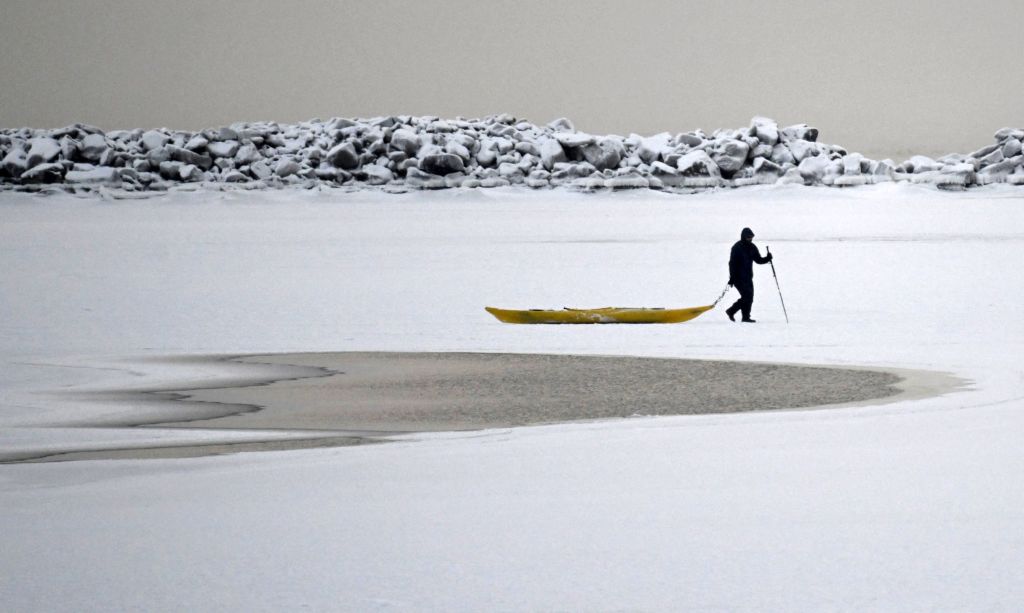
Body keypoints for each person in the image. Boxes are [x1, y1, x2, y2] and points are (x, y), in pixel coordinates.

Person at [726, 227, 772, 323]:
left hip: (748, 277)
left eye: (751, 237)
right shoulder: (736, 247)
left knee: (749, 298)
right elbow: (732, 264)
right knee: (747, 297)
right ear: (743, 237)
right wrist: (732, 278)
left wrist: (767, 258)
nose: (750, 239)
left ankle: (745, 317)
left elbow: (758, 260)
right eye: (748, 237)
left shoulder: (752, 247)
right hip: (738, 278)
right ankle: (731, 311)